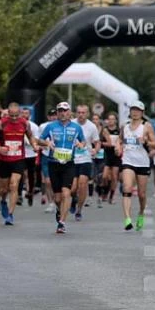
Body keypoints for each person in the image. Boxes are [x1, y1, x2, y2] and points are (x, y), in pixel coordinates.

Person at [40, 101, 86, 235]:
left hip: (68, 163)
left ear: (69, 112)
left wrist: (81, 145)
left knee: (67, 193)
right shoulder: (51, 126)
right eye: (60, 111)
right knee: (58, 197)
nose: (63, 113)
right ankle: (60, 210)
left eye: (65, 111)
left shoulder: (76, 127)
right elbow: (39, 140)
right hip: (53, 163)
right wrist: (47, 142)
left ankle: (62, 223)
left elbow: (83, 141)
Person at [0, 102, 40, 226]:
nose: (14, 118)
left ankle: (10, 214)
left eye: (16, 115)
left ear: (19, 113)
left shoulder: (24, 123)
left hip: (18, 159)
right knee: (3, 189)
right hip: (3, 159)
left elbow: (30, 136)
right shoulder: (2, 123)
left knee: (14, 185)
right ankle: (3, 200)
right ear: (8, 113)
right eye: (11, 115)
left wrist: (34, 145)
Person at [116, 101, 155, 230]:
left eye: (138, 110)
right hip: (128, 161)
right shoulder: (125, 126)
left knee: (142, 194)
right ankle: (127, 219)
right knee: (127, 188)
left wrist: (147, 142)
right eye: (133, 110)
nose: (135, 112)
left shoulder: (147, 126)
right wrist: (117, 146)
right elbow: (120, 139)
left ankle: (140, 213)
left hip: (142, 163)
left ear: (142, 112)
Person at [69, 104, 101, 221]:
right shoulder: (70, 124)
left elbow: (97, 142)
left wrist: (95, 149)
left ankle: (79, 210)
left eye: (83, 113)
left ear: (87, 114)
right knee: (72, 188)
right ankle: (73, 199)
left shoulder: (92, 127)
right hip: (71, 159)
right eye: (79, 112)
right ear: (76, 113)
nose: (81, 115)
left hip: (85, 159)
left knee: (83, 185)